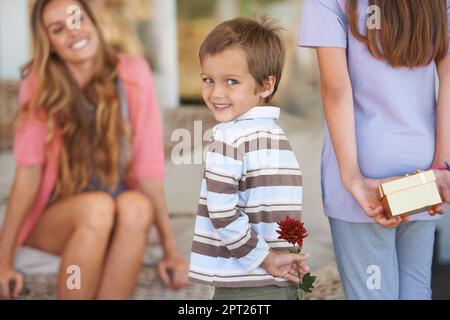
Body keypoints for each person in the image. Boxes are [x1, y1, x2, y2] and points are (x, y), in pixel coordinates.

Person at [0, 0, 189, 300]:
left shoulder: (133, 73)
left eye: (77, 18)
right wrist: (3, 258)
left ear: (92, 20)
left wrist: (170, 249)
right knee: (96, 207)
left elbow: (148, 169)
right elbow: (28, 174)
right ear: (48, 42)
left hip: (114, 214)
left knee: (139, 207)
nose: (73, 33)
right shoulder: (39, 82)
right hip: (56, 222)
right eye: (58, 29)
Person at [298, 0, 450, 299]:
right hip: (423, 171)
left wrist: (353, 178)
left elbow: (335, 89)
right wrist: (442, 168)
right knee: (415, 290)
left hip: (363, 175)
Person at [188, 17, 310, 300]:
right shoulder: (278, 138)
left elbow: (223, 213)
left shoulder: (228, 140)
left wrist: (265, 258)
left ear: (266, 86)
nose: (216, 92)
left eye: (232, 81)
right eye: (208, 80)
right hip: (283, 280)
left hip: (243, 285)